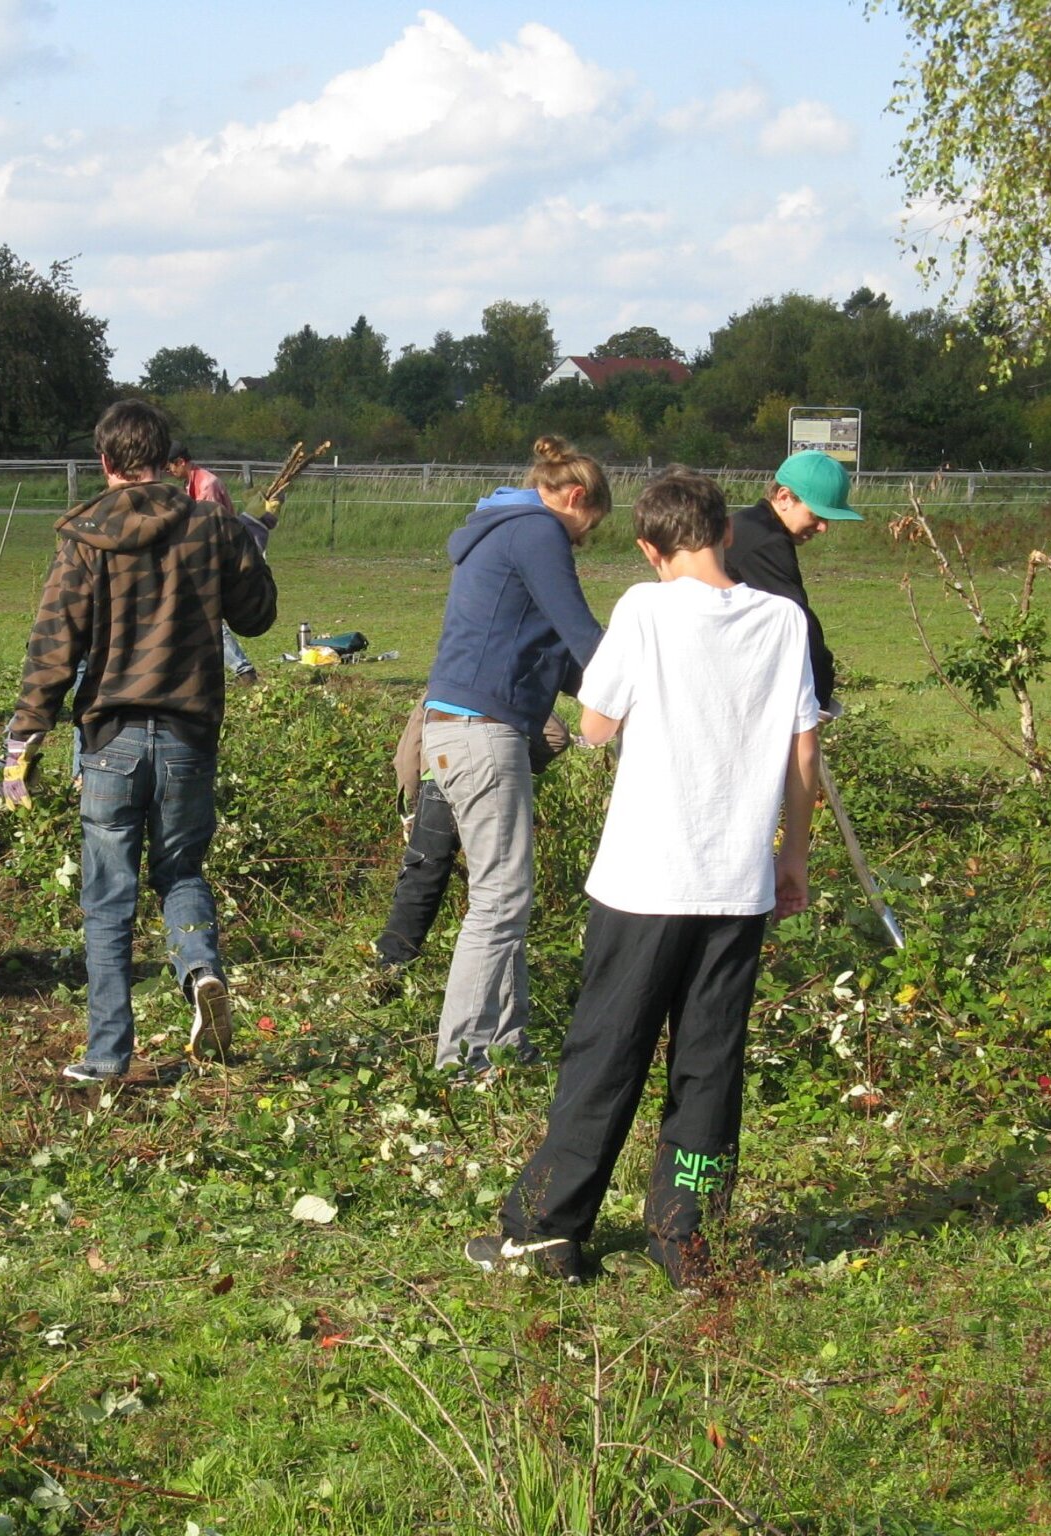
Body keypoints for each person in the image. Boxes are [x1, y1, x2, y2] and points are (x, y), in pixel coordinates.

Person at [466, 469, 819, 1289]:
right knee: (709, 1063)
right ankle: (687, 1238)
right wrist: (792, 858)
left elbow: (594, 727)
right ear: (728, 532)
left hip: (645, 880)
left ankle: (547, 1230)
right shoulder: (783, 620)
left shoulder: (644, 607)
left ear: (650, 549)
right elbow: (804, 748)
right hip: (738, 885)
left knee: (606, 1055)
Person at [4, 401, 277, 1082]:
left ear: (105, 461)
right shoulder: (211, 524)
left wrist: (23, 740)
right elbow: (259, 615)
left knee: (108, 899)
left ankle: (106, 1056)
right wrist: (243, 542)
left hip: (111, 739)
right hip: (189, 735)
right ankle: (200, 970)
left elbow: (53, 644)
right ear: (166, 457)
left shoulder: (86, 533)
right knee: (181, 872)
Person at [421, 436, 608, 1075]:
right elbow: (583, 633)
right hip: (482, 729)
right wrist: (645, 686)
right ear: (576, 499)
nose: (580, 544)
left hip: (458, 725)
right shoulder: (536, 533)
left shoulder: (502, 530)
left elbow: (555, 653)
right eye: (588, 531)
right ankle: (462, 1058)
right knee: (500, 899)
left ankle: (504, 1043)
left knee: (506, 894)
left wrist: (610, 694)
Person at [373, 701, 570, 974]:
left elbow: (407, 753)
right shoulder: (510, 682)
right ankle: (487, 973)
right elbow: (556, 735)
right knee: (494, 886)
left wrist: (411, 803)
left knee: (422, 878)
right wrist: (513, 767)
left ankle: (391, 966)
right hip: (494, 779)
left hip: (438, 780)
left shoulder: (442, 682)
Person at [724, 450, 861, 715]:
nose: (823, 528)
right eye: (816, 515)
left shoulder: (749, 523)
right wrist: (817, 703)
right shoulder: (765, 541)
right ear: (784, 497)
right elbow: (797, 623)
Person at [168, 442, 273, 685]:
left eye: (170, 466)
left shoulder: (207, 485)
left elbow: (209, 528)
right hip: (206, 556)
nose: (169, 471)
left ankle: (242, 669)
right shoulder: (191, 484)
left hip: (217, 557)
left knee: (207, 614)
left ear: (181, 462)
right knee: (201, 614)